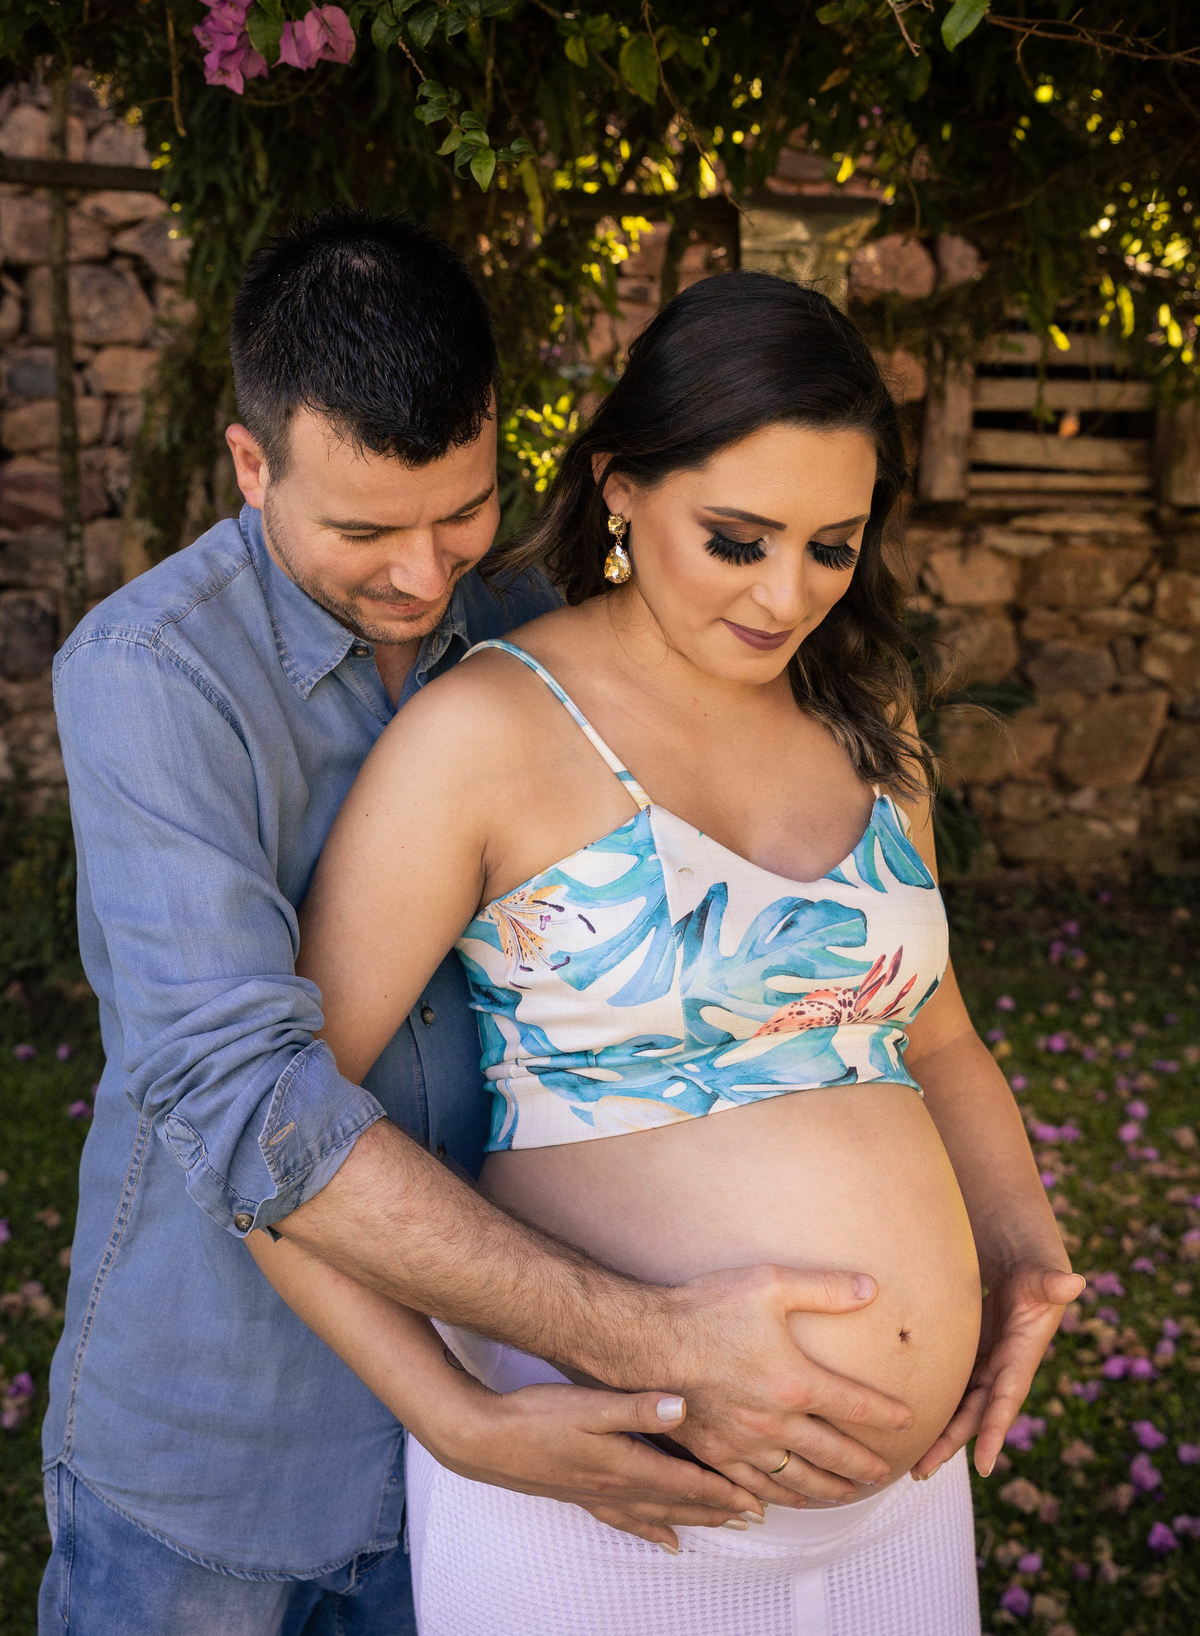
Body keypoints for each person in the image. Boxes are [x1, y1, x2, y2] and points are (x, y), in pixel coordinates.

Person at [41, 215, 918, 1636]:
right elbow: (244, 1096)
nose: (421, 575)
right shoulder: (152, 673)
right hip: (228, 1427)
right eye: (362, 531)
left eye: (459, 511)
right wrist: (495, 1394)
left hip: (519, 1411)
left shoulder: (524, 614)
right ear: (252, 464)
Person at [264, 271, 1085, 1635]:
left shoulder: (865, 710)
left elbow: (935, 1037)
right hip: (606, 1500)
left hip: (902, 1511)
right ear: (623, 488)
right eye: (738, 539)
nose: (787, 594)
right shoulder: (488, 731)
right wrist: (454, 1415)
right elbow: (275, 1132)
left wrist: (1018, 1239)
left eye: (833, 547)